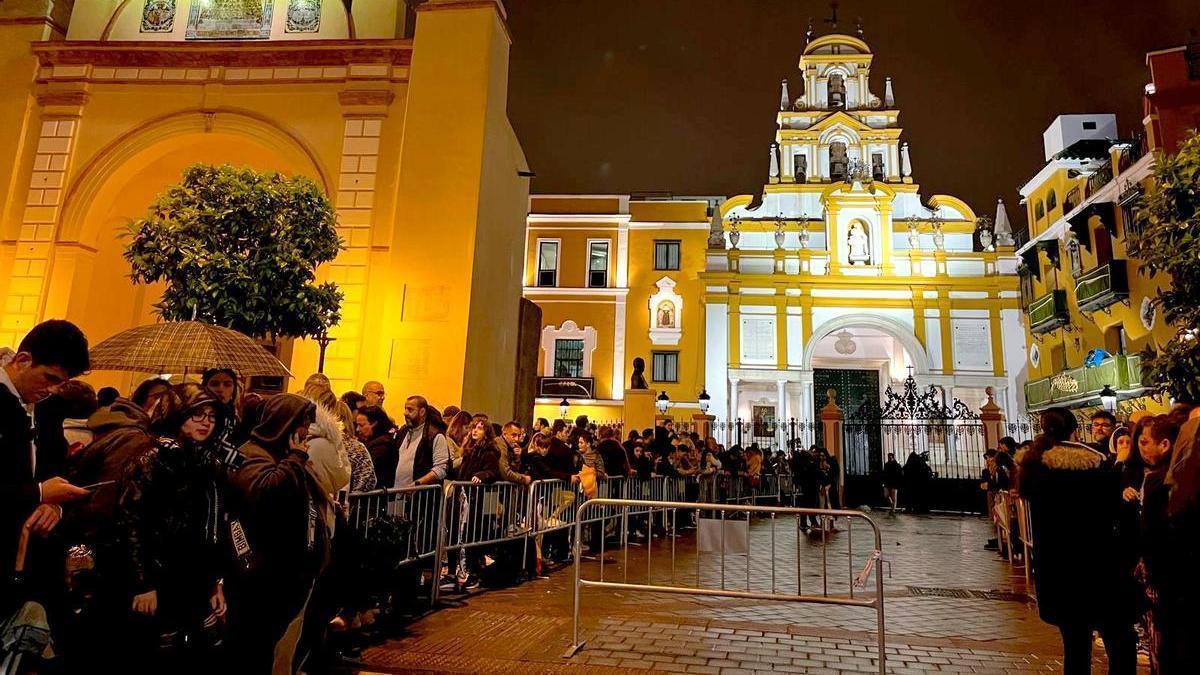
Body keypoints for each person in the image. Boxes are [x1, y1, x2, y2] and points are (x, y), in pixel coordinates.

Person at [113, 384, 227, 673]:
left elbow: (210, 524)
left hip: (193, 580)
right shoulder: (152, 457)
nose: (206, 422)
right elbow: (132, 522)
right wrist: (143, 583)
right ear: (178, 414)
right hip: (159, 579)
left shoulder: (206, 461)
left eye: (211, 416)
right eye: (197, 414)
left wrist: (214, 581)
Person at [1017, 407, 1137, 675]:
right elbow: (1111, 507)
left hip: (1057, 574)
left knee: (1075, 647)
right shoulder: (1089, 463)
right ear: (1075, 430)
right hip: (1095, 571)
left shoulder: (1035, 466)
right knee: (1120, 641)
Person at [224, 394, 331, 675]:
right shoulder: (251, 454)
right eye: (302, 423)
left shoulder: (285, 458)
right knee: (250, 651)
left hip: (285, 576)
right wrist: (295, 459)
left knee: (264, 650)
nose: (305, 432)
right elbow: (266, 492)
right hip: (259, 576)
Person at [0, 320, 92, 605]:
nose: (52, 389)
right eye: (49, 378)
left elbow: (58, 466)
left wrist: (54, 505)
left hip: (31, 558)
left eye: (61, 383)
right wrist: (39, 493)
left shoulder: (48, 408)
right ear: (23, 360)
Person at [393, 395, 450, 488]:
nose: (405, 413)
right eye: (405, 409)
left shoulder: (435, 436)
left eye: (410, 410)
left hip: (420, 497)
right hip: (396, 494)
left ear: (422, 412)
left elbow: (441, 469)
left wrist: (417, 484)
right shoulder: (402, 432)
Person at [202, 368, 242, 466]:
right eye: (214, 384)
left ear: (234, 391)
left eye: (227, 385)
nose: (220, 389)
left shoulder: (235, 420)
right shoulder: (196, 419)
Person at [356, 405, 399, 489]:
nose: (357, 429)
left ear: (374, 424)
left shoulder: (383, 446)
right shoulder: (371, 443)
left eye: (361, 425)